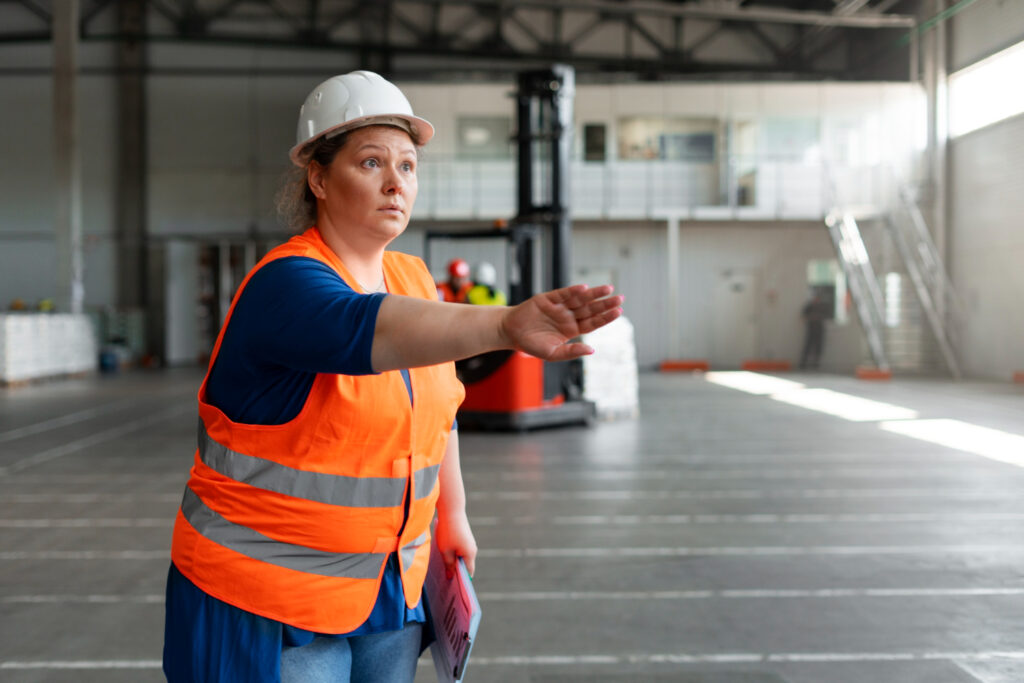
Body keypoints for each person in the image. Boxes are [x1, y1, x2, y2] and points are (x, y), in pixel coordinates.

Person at [162, 70, 623, 683]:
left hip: (389, 588)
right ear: (319, 179)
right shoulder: (284, 285)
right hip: (273, 596)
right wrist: (507, 325)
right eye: (371, 162)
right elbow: (366, 330)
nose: (394, 183)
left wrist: (452, 515)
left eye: (407, 166)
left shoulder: (412, 280)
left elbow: (439, 411)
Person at [799, 290, 829, 369]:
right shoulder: (810, 306)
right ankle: (803, 364)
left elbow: (825, 316)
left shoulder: (822, 307)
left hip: (819, 329)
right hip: (811, 328)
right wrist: (811, 318)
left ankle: (816, 364)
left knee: (818, 347)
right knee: (808, 346)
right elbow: (803, 316)